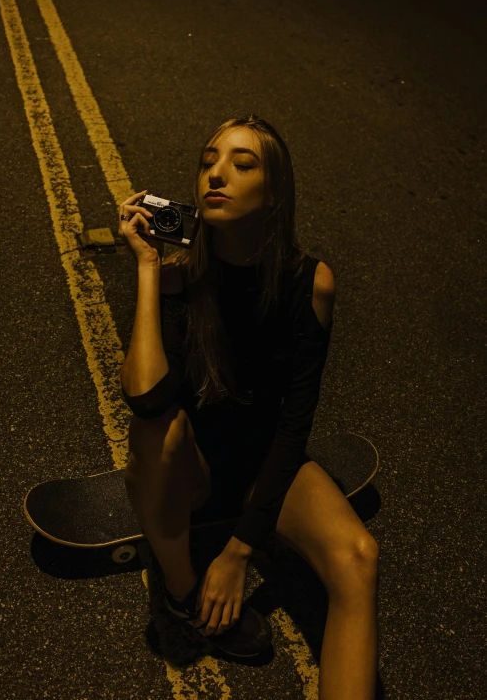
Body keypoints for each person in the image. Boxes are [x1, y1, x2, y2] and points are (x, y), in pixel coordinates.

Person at [118, 115, 378, 697]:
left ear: (274, 191)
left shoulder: (309, 283)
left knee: (359, 558)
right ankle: (183, 598)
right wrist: (145, 267)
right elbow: (146, 396)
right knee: (153, 431)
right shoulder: (179, 272)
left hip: (264, 461)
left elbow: (295, 421)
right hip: (192, 466)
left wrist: (240, 550)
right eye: (208, 161)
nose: (217, 174)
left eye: (242, 164)